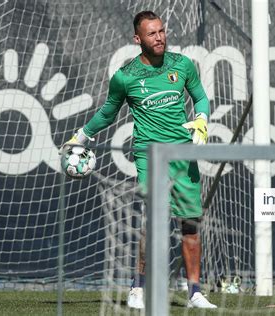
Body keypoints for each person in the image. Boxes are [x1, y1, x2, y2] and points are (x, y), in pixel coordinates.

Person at [60, 11, 216, 309]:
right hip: (150, 157)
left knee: (191, 225)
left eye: (161, 31)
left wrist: (202, 119)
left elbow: (200, 97)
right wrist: (81, 136)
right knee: (154, 223)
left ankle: (195, 292)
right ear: (138, 39)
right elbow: (108, 112)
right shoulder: (125, 76)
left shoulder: (181, 65)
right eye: (152, 34)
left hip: (184, 156)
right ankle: (139, 288)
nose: (159, 38)